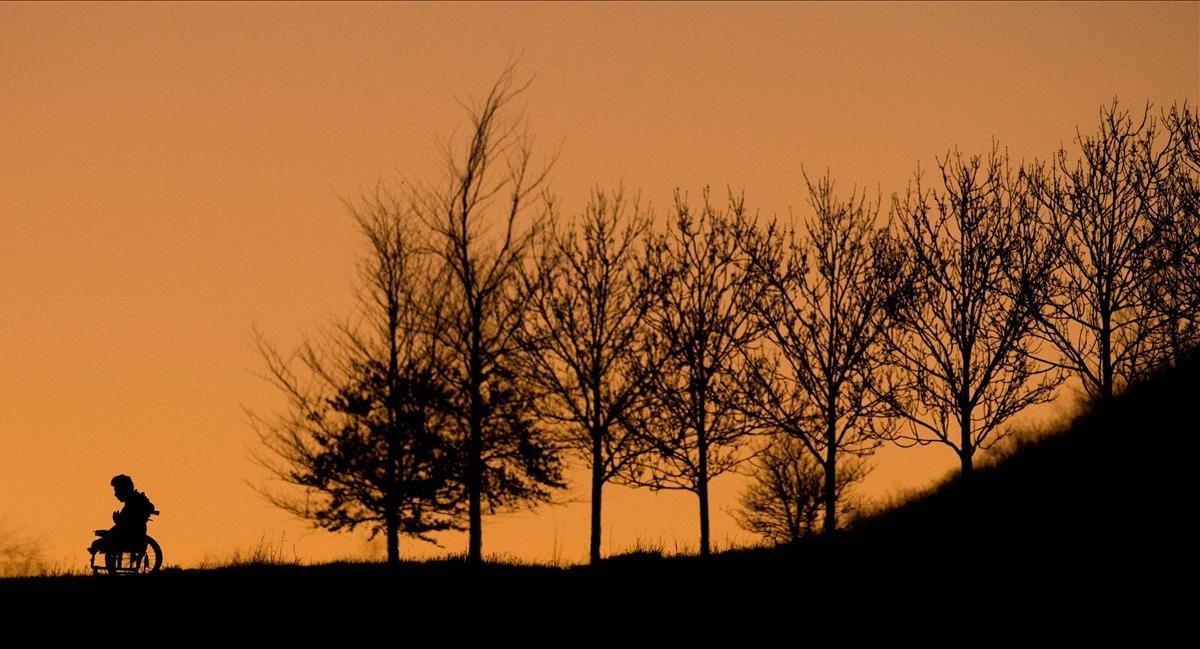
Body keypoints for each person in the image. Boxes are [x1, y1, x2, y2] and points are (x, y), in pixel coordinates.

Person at [88, 474, 156, 556]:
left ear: (123, 489)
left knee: (97, 543)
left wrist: (116, 520)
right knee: (99, 541)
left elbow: (126, 525)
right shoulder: (137, 499)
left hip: (129, 536)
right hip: (136, 533)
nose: (115, 494)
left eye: (116, 490)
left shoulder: (132, 503)